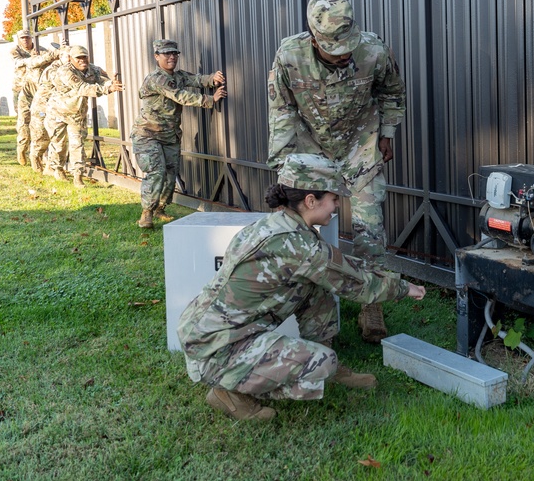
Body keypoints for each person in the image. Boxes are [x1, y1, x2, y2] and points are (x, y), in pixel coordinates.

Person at [177, 153, 426, 421]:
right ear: (311, 201)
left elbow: (340, 265)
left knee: (317, 287)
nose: (337, 206)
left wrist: (391, 277)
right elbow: (355, 284)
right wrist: (403, 289)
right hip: (217, 348)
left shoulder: (285, 229)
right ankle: (230, 391)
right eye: (333, 199)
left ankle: (322, 358)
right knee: (321, 363)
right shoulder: (297, 246)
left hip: (216, 333)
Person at [267, 0, 406, 343]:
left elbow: (392, 92)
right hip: (311, 148)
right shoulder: (289, 56)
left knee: (369, 224)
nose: (344, 53)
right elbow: (281, 110)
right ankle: (302, 296)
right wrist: (284, 164)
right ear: (314, 38)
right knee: (299, 223)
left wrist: (387, 133)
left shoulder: (373, 50)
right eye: (334, 47)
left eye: (347, 44)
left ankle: (371, 303)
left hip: (360, 144)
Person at [131, 39, 226, 229]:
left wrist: (211, 79)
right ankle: (147, 213)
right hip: (147, 135)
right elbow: (180, 96)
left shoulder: (178, 75)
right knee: (156, 172)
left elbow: (195, 79)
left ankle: (160, 209)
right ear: (156, 57)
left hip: (169, 136)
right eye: (166, 54)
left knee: (170, 173)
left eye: (174, 53)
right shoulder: (156, 79)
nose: (172, 57)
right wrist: (210, 99)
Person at [47, 44, 124, 187]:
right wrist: (108, 89)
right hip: (58, 112)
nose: (82, 60)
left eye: (85, 57)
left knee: (77, 145)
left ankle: (78, 176)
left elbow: (101, 79)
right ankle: (58, 168)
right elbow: (83, 88)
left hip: (77, 114)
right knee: (59, 144)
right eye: (78, 58)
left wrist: (111, 82)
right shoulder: (65, 72)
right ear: (70, 59)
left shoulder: (92, 69)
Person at [10, 29, 60, 165]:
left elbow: (50, 61)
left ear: (31, 38)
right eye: (22, 38)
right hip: (21, 89)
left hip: (39, 90)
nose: (25, 40)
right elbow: (20, 62)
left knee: (40, 121)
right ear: (19, 40)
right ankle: (22, 148)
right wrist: (35, 58)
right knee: (23, 120)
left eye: (27, 38)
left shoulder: (41, 50)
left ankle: (41, 153)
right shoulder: (15, 50)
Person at [28, 48, 69, 173]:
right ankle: (35, 157)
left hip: (56, 108)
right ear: (60, 57)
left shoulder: (68, 68)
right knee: (41, 135)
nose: (70, 59)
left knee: (56, 136)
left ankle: (50, 166)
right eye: (67, 56)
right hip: (42, 107)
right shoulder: (53, 69)